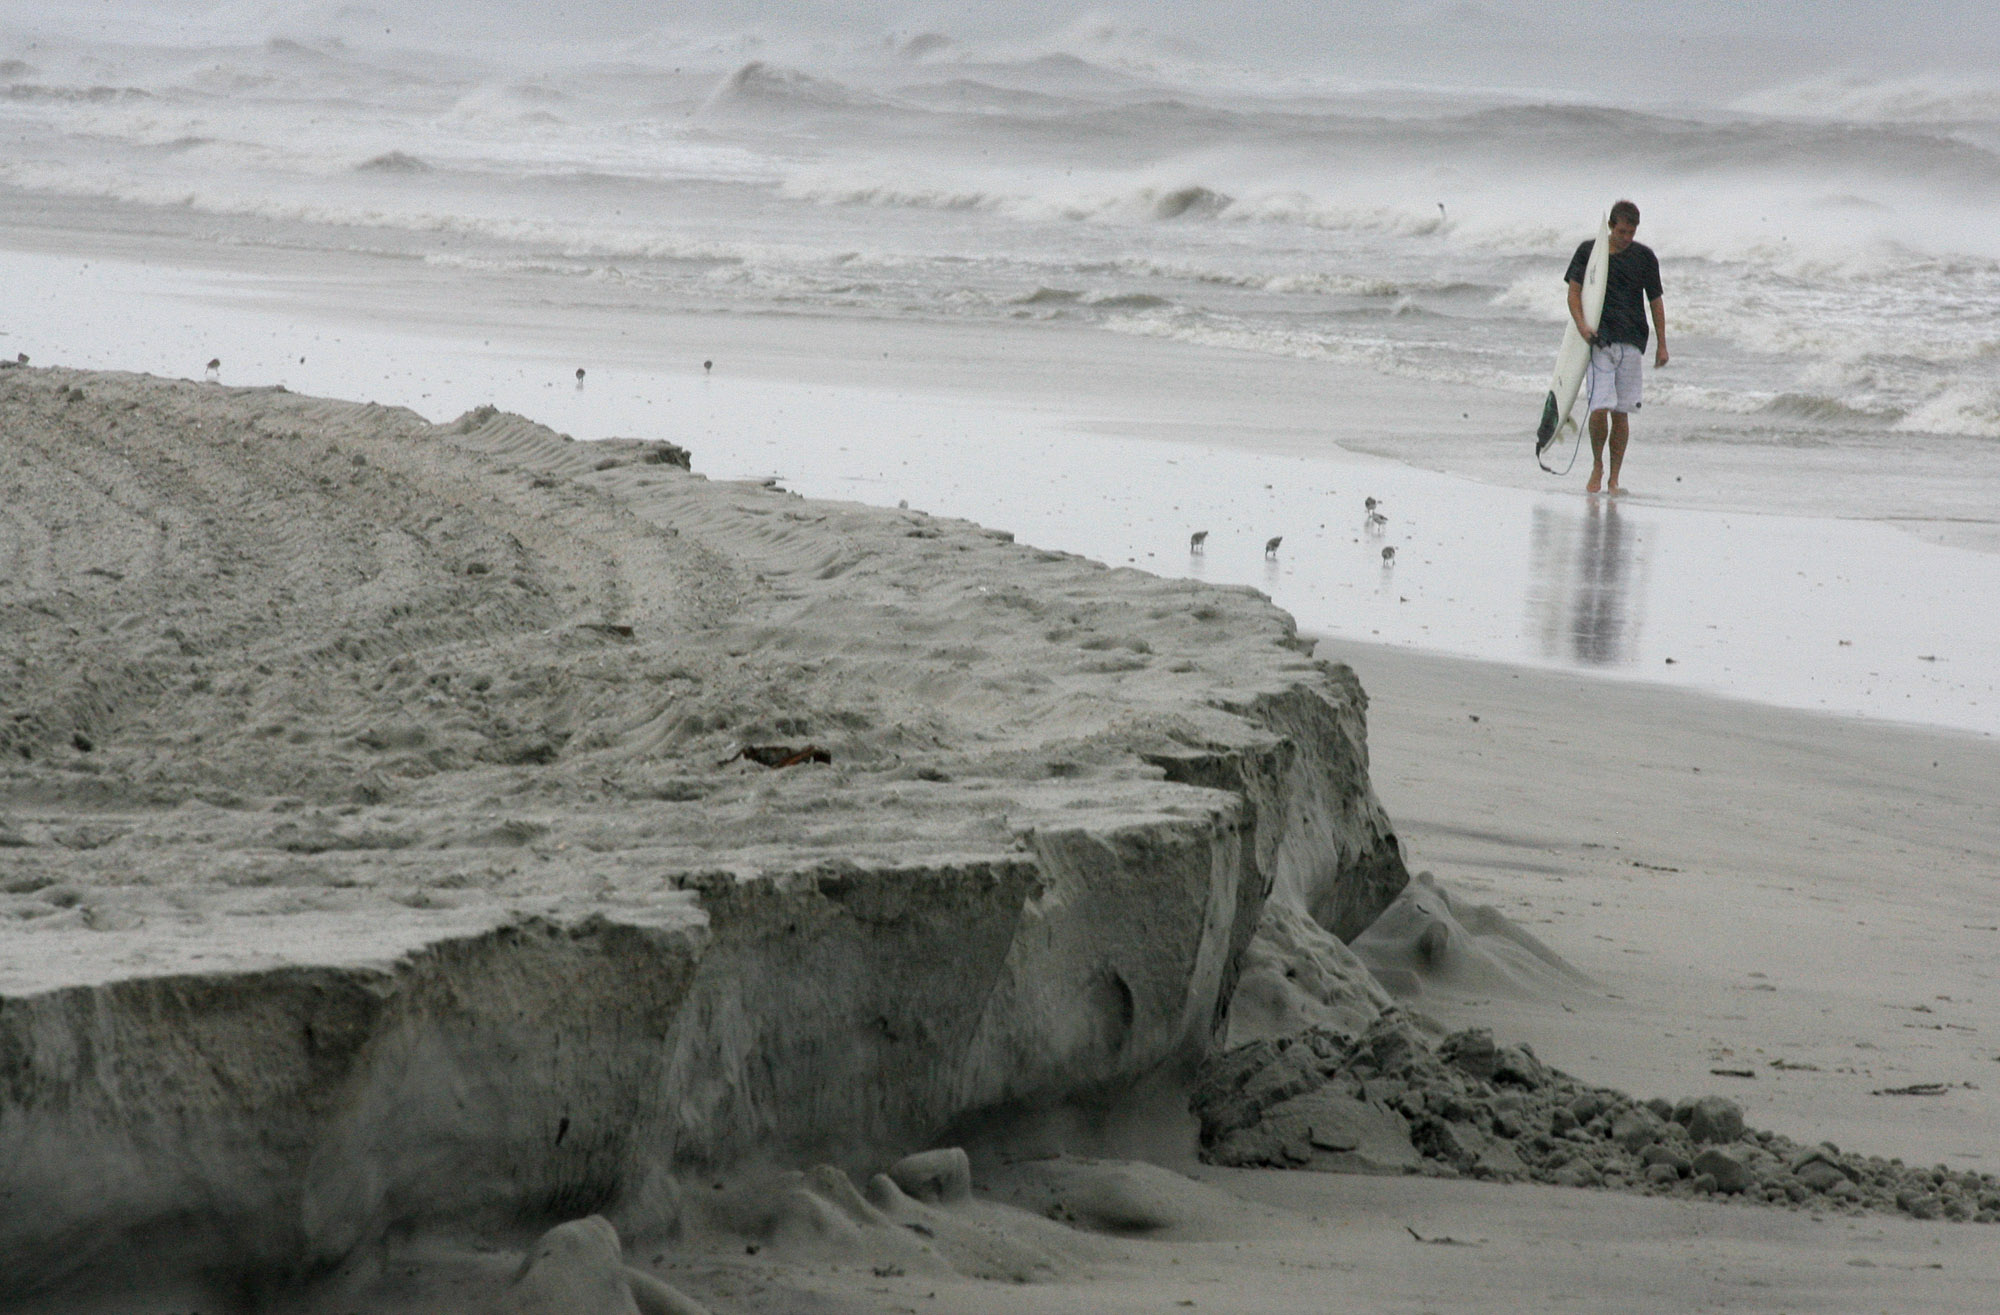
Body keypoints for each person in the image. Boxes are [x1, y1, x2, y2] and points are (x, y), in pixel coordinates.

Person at [1567, 199, 1666, 493]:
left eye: (1631, 233)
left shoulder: (1645, 257)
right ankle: (1598, 464)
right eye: (1621, 231)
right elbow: (1574, 293)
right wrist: (1583, 326)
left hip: (1633, 341)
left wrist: (1662, 344)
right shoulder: (1589, 252)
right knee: (1600, 407)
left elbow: (1656, 301)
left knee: (1621, 412)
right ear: (1611, 226)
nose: (1626, 238)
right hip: (1600, 341)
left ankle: (1614, 477)